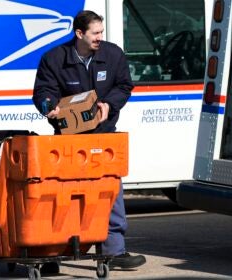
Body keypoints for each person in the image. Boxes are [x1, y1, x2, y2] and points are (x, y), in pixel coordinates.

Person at [32, 10, 146, 274]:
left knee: (110, 191)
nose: (99, 38)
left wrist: (109, 103)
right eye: (95, 33)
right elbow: (43, 91)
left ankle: (114, 251)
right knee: (64, 196)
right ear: (79, 33)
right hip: (68, 140)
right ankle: (54, 255)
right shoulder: (55, 59)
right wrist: (48, 106)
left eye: (101, 32)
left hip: (104, 135)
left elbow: (124, 85)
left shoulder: (113, 54)